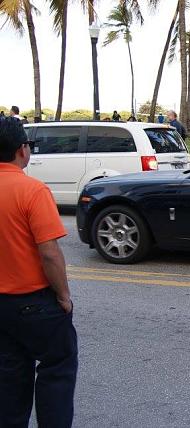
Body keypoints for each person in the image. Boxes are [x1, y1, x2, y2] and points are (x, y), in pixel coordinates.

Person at [0, 117, 77, 428]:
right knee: (57, 369)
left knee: (8, 379)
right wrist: (64, 296)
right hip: (34, 303)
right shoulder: (32, 190)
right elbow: (49, 253)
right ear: (22, 150)